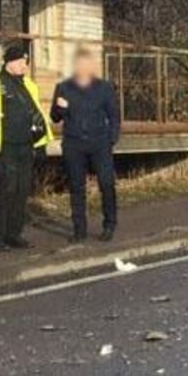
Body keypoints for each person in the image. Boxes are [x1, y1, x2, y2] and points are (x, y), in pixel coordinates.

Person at [50, 47, 122, 243]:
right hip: (74, 143)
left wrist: (112, 138)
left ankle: (109, 224)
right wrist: (59, 107)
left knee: (106, 184)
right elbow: (54, 117)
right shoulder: (64, 87)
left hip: (99, 142)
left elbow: (114, 115)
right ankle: (79, 229)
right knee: (76, 187)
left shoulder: (104, 88)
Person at [0, 42, 53, 251]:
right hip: (5, 146)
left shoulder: (29, 84)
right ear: (11, 62)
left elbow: (37, 115)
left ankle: (14, 234)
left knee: (21, 191)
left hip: (26, 145)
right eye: (22, 62)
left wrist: (41, 144)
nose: (25, 66)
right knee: (6, 190)